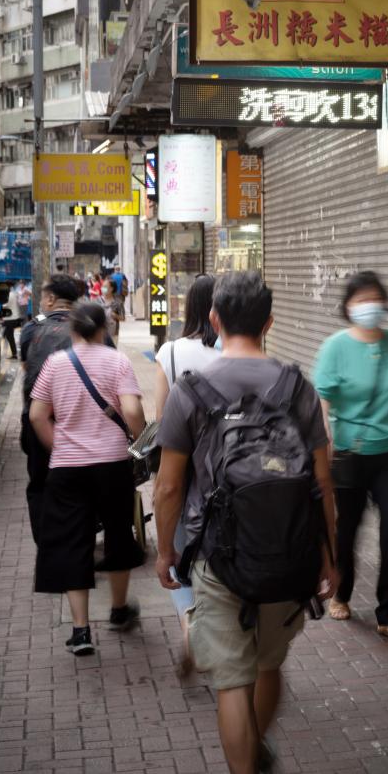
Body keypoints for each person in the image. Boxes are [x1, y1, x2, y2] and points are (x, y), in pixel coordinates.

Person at [154, 271, 336, 774]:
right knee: (269, 664)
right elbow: (322, 482)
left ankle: (244, 763)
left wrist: (166, 551)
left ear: (214, 319)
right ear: (269, 322)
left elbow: (168, 486)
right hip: (288, 551)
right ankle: (257, 746)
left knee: (232, 681)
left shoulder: (189, 391)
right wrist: (330, 557)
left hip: (217, 555)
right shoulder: (297, 387)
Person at [313, 270, 388, 643]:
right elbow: (322, 401)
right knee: (347, 529)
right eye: (361, 299)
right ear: (348, 306)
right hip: (351, 453)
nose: (369, 305)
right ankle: (342, 593)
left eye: (374, 298)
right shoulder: (335, 347)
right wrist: (324, 444)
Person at [29, 301, 146, 657]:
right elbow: (131, 410)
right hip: (112, 464)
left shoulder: (55, 363)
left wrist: (59, 448)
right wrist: (138, 438)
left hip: (68, 468)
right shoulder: (118, 361)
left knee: (72, 541)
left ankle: (80, 631)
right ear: (103, 329)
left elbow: (37, 415)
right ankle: (119, 609)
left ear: (73, 329)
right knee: (118, 534)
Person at [154, 274, 219, 675]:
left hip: (184, 467)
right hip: (227, 470)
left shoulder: (171, 353)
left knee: (179, 555)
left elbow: (162, 419)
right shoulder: (234, 350)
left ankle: (189, 626)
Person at [20, 274, 83, 543]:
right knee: (80, 483)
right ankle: (78, 541)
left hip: (36, 419)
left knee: (39, 484)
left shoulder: (31, 329)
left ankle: (46, 544)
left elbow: (27, 367)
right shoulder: (89, 327)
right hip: (79, 419)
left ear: (50, 299)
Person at [1, 281, 22, 359]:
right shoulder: (13, 294)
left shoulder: (9, 295)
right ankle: (13, 353)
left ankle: (14, 354)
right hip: (13, 318)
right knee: (8, 335)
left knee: (9, 335)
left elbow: (5, 305)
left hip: (11, 318)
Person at [101, 277, 124, 342]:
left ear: (111, 289)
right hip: (99, 334)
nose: (103, 288)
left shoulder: (118, 302)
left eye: (105, 287)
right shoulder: (97, 301)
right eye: (102, 286)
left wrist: (115, 315)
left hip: (113, 333)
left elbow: (123, 318)